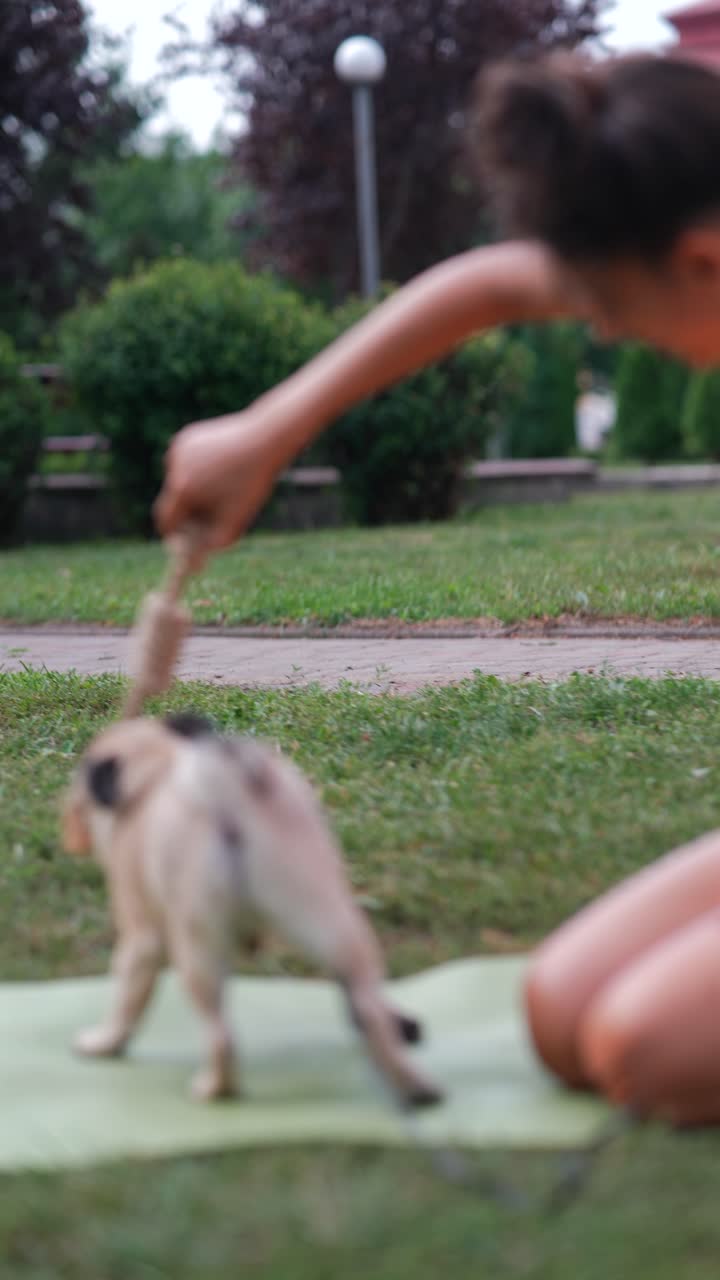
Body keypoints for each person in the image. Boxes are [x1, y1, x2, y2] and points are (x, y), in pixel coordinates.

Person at [155, 50, 720, 1122]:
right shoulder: (702, 249)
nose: (597, 327)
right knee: (562, 1018)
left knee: (647, 1050)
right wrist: (266, 432)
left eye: (611, 306)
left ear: (698, 259)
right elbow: (486, 285)